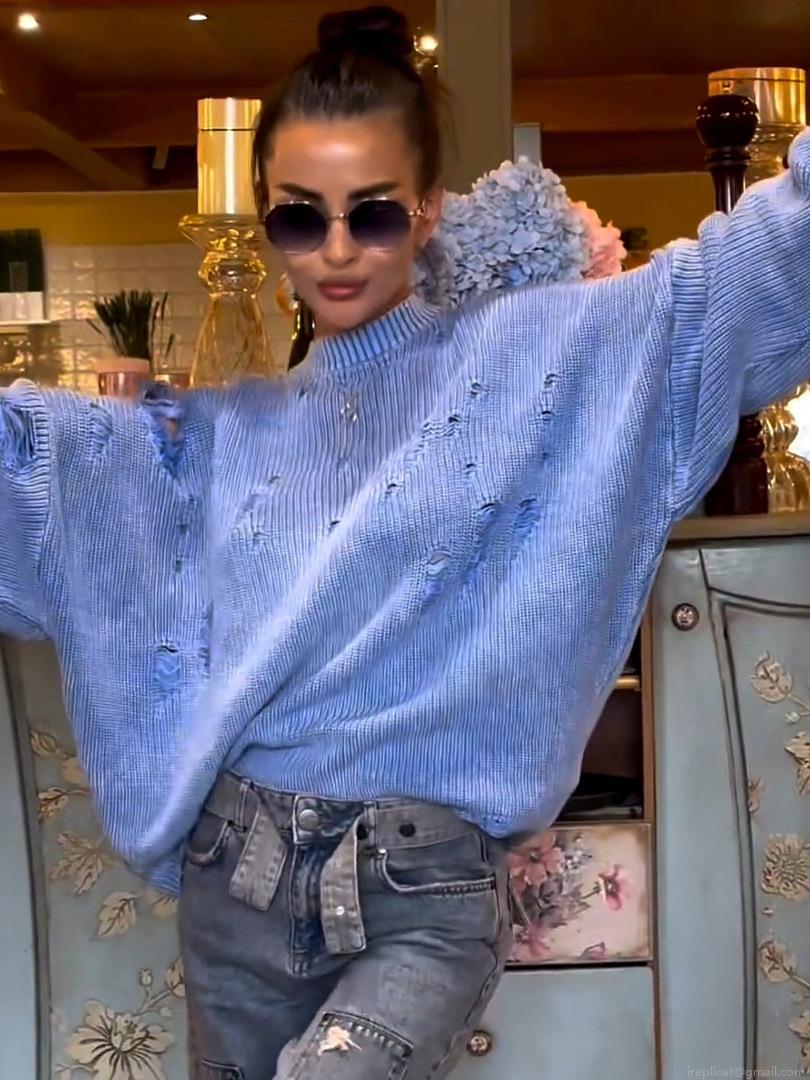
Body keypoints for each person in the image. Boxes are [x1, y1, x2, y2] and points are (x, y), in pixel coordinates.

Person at [1, 5, 809, 1078]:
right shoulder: (219, 438)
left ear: (427, 211)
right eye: (300, 218)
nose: (337, 250)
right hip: (235, 878)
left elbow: (754, 272)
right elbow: (41, 475)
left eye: (373, 214)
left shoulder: (557, 352)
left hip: (422, 893)